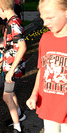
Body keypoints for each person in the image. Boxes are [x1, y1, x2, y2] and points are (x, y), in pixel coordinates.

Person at [26, 0, 67, 133]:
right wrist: (34, 95)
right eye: (43, 19)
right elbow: (42, 70)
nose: (45, 23)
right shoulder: (46, 38)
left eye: (50, 18)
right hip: (49, 106)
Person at [0, 0, 27, 132]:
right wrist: (1, 60)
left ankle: (17, 127)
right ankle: (19, 115)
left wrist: (11, 70)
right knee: (11, 93)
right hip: (9, 65)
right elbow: (11, 47)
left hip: (13, 68)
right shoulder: (12, 21)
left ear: (2, 9)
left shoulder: (13, 23)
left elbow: (22, 47)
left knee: (6, 96)